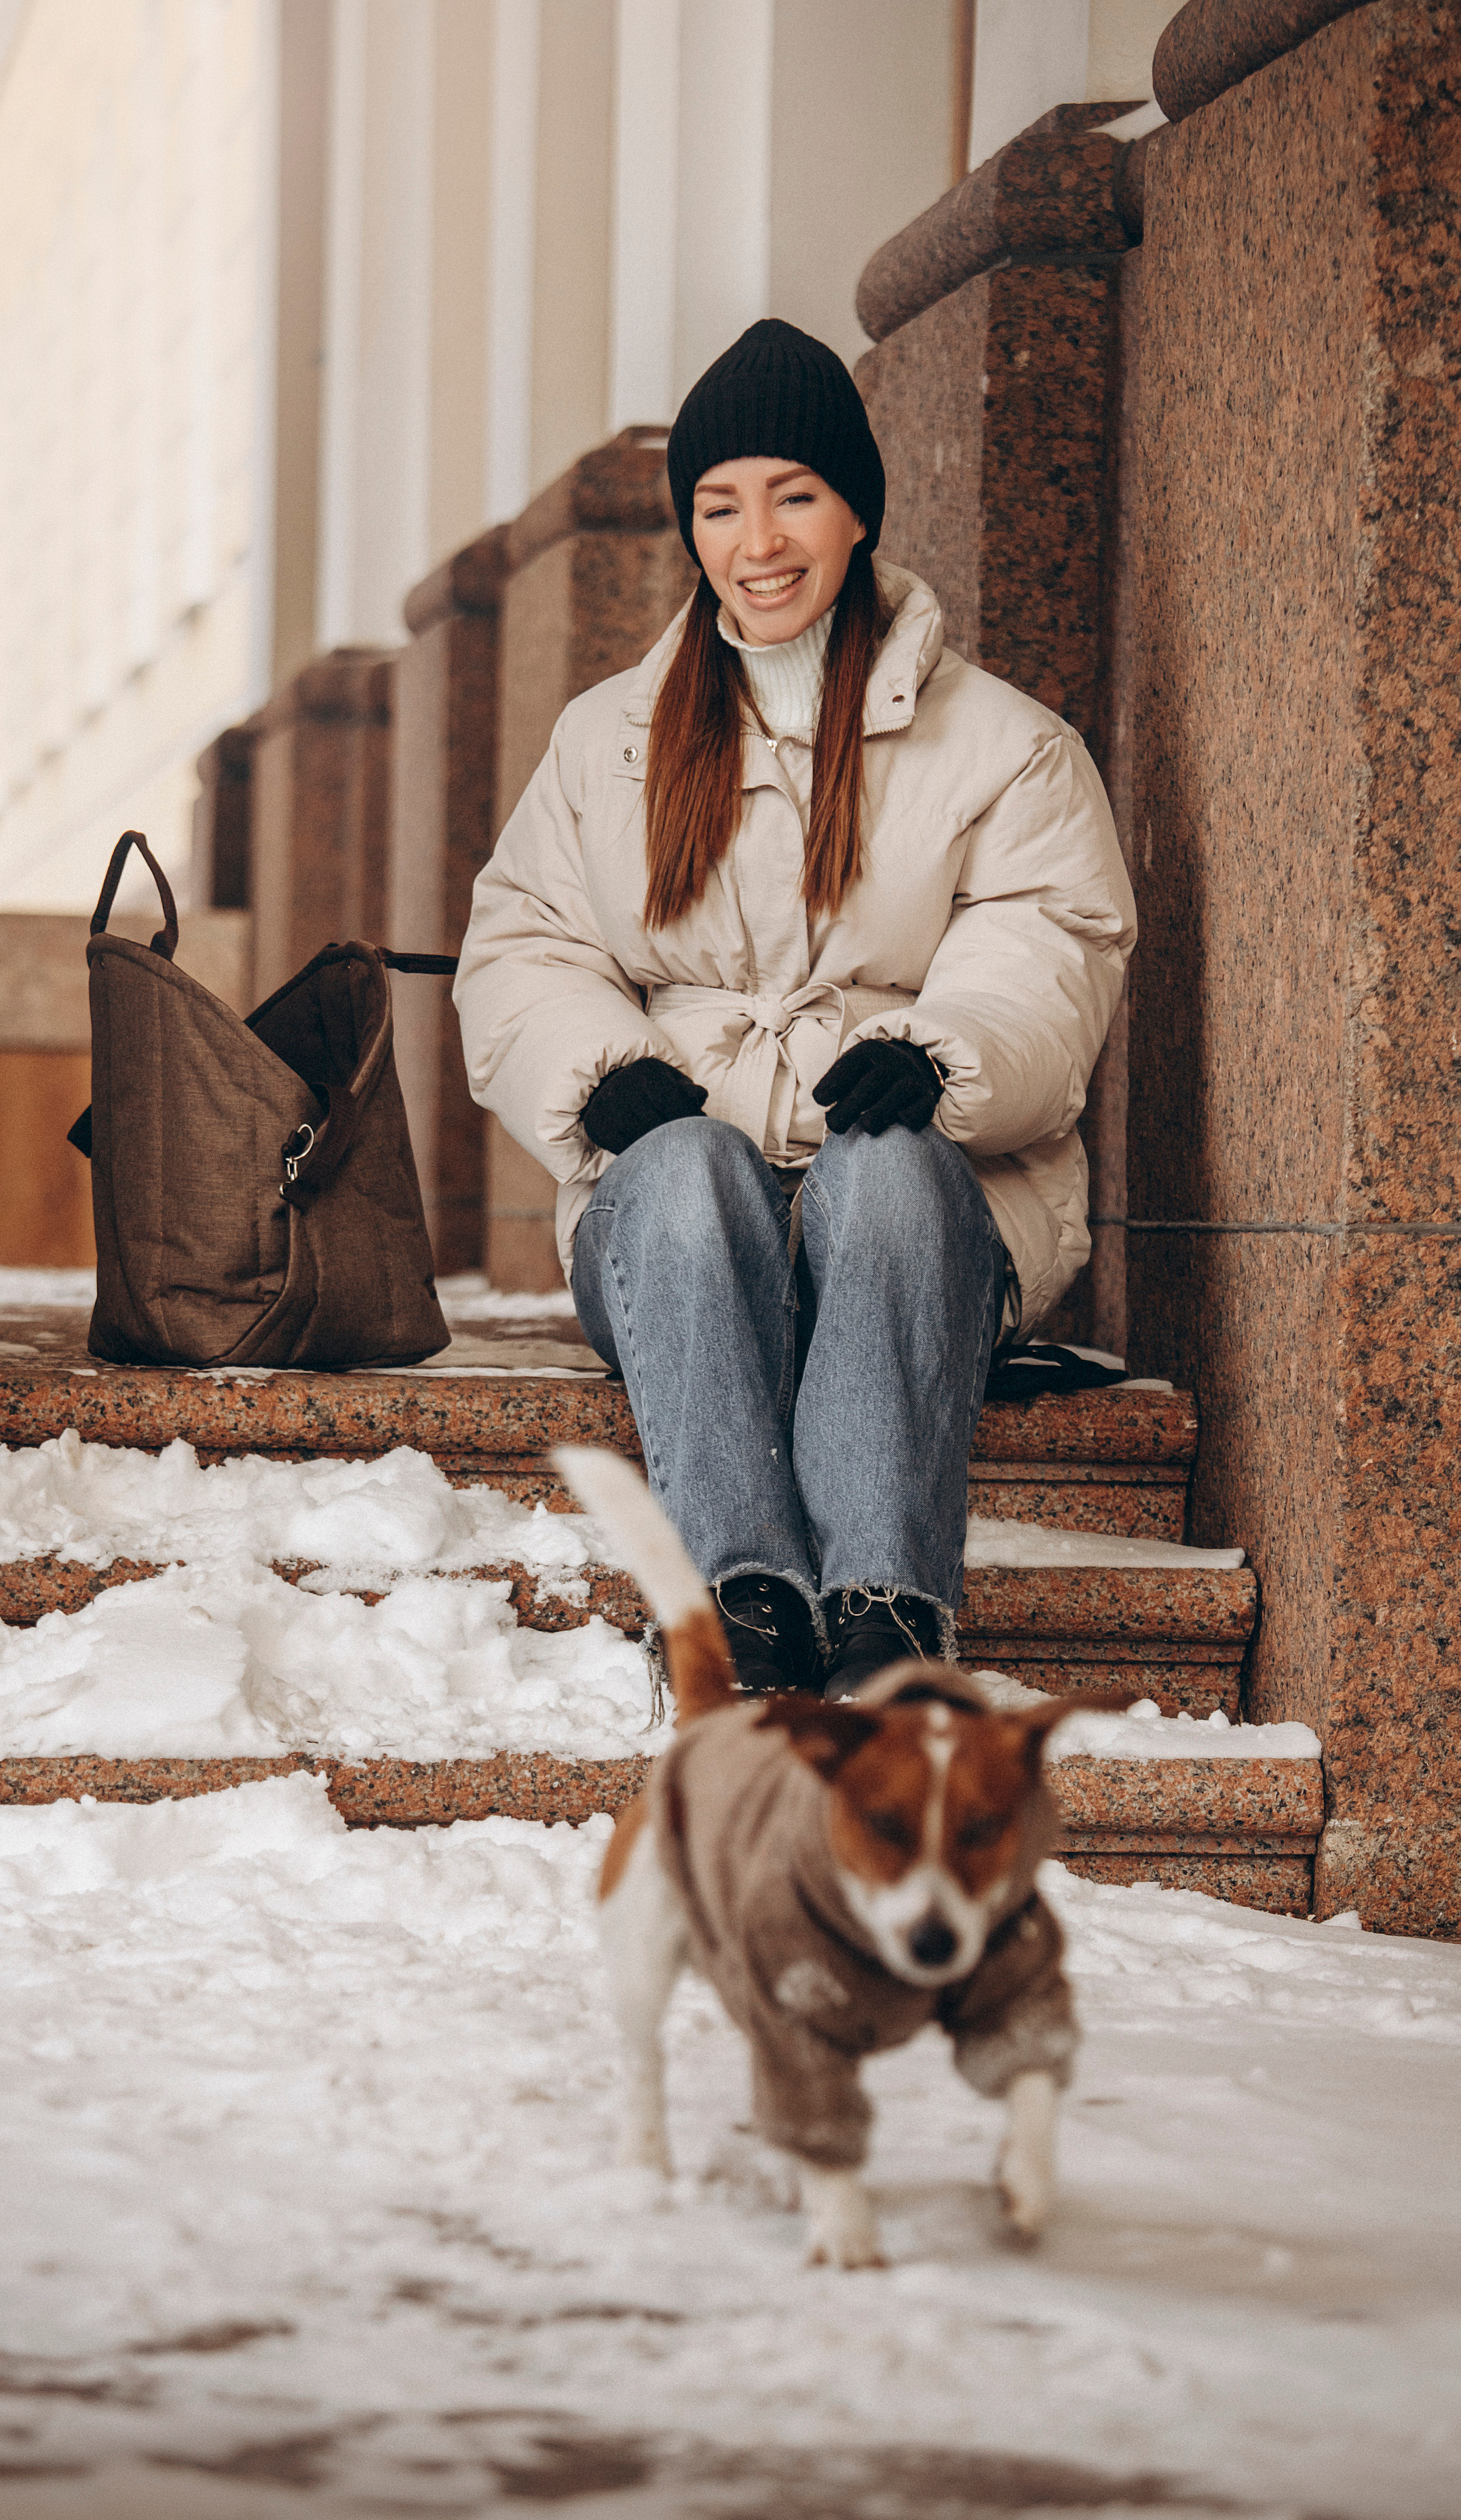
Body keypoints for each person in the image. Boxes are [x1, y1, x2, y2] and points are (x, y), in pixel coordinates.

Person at [454, 320, 1135, 1700]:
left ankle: (885, 1604)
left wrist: (940, 1061)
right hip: (684, 1209)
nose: (753, 541)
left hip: (921, 1207)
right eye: (717, 506)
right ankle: (737, 1596)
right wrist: (601, 1074)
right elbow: (520, 937)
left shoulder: (1006, 745)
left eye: (791, 496)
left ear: (857, 512)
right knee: (690, 1167)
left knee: (885, 1170)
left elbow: (1046, 946)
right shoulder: (609, 740)